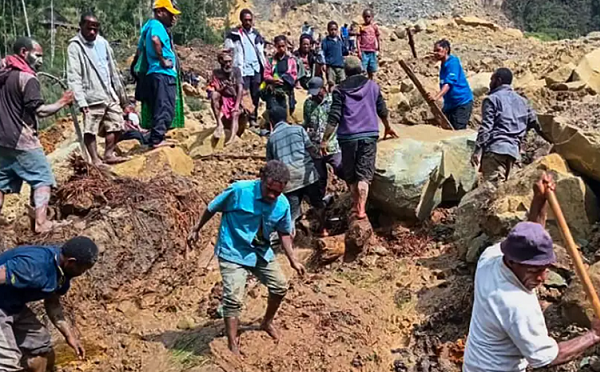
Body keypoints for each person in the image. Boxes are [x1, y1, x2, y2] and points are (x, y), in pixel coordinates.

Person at [463, 173, 600, 372]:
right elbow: (546, 357)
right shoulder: (516, 304)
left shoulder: (490, 257)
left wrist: (539, 199)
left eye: (545, 268)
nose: (542, 278)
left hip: (473, 363)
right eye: (534, 271)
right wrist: (594, 335)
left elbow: (531, 237)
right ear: (512, 261)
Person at [187, 160, 306, 355]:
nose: (272, 195)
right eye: (269, 190)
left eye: (277, 192)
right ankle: (232, 342)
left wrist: (293, 259)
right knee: (233, 298)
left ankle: (266, 322)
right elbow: (212, 208)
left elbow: (284, 232)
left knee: (280, 286)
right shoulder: (239, 191)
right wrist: (196, 229)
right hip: (233, 250)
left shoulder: (282, 204)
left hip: (259, 251)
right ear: (261, 178)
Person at [0, 37, 74, 233]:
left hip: (1, 140)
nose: (40, 60)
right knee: (42, 178)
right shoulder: (27, 78)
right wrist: (63, 102)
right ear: (24, 52)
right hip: (21, 139)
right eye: (38, 55)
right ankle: (41, 224)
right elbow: (39, 110)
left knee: (1, 182)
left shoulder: (3, 73)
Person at [0, 236, 99, 372]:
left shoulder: (62, 274)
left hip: (13, 306)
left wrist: (69, 336)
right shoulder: (35, 265)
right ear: (71, 262)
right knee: (8, 363)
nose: (82, 273)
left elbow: (52, 303)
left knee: (41, 346)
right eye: (82, 268)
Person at [324, 56, 397, 220]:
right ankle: (362, 209)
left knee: (351, 175)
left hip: (347, 137)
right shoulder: (372, 86)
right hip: (369, 134)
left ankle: (355, 205)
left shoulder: (339, 90)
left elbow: (334, 117)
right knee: (364, 174)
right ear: (361, 69)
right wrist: (387, 127)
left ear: (345, 72)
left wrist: (325, 140)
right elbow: (382, 110)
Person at [67, 13, 129, 166]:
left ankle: (108, 153)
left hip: (108, 92)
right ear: (81, 26)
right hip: (91, 95)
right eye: (89, 29)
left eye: (95, 29)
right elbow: (74, 76)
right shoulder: (75, 47)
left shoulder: (103, 43)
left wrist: (123, 98)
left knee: (117, 123)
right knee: (90, 128)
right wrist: (81, 101)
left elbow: (113, 70)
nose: (92, 32)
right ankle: (95, 159)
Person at [471, 68, 546, 184]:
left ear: (499, 80)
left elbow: (486, 127)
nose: (490, 83)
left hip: (495, 150)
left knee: (492, 192)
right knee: (508, 192)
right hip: (514, 153)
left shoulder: (492, 100)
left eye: (492, 79)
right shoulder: (523, 101)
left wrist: (478, 151)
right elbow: (536, 123)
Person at [266, 105, 327, 235]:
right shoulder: (298, 129)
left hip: (289, 182)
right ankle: (324, 230)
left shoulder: (272, 139)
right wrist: (320, 159)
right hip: (307, 175)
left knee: (291, 215)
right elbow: (311, 149)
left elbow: (271, 165)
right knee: (318, 204)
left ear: (271, 121)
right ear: (286, 117)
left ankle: (291, 243)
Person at [135, 0, 181, 148]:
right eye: (170, 14)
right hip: (162, 73)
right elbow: (155, 40)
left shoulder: (147, 26)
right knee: (165, 106)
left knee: (158, 106)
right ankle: (157, 140)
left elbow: (140, 49)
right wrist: (162, 60)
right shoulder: (157, 25)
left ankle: (155, 136)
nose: (172, 18)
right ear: (160, 12)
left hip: (153, 73)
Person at [224, 9, 267, 128]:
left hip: (256, 68)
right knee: (244, 94)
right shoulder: (234, 35)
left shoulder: (256, 34)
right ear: (241, 20)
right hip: (242, 69)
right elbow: (228, 51)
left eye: (250, 20)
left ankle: (253, 118)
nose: (248, 22)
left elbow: (261, 52)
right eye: (246, 20)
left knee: (256, 94)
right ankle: (245, 118)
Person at [303, 77, 344, 199]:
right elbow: (307, 123)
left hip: (333, 144)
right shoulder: (308, 104)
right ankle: (319, 202)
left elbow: (340, 121)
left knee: (340, 168)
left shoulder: (333, 101)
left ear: (323, 89)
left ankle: (350, 194)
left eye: (317, 93)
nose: (315, 96)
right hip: (315, 147)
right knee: (319, 177)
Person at [427, 39, 473, 130]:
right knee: (446, 129)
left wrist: (436, 97)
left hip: (461, 102)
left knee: (458, 131)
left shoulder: (453, 63)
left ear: (446, 49)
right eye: (434, 51)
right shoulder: (443, 65)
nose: (435, 53)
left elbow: (449, 83)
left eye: (438, 50)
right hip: (450, 104)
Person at [207, 51, 244, 145]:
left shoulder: (236, 70)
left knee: (235, 114)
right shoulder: (216, 73)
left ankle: (232, 137)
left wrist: (236, 105)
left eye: (230, 61)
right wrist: (223, 87)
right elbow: (217, 89)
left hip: (235, 97)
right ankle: (219, 124)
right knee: (214, 95)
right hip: (224, 98)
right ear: (220, 61)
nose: (228, 64)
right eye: (226, 61)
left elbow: (240, 88)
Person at [262, 35, 298, 115]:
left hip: (286, 91)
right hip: (273, 91)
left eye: (283, 46)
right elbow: (266, 74)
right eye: (279, 46)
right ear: (275, 46)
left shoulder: (291, 60)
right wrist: (273, 80)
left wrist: (286, 80)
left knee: (285, 113)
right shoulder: (271, 61)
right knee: (273, 112)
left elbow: (294, 74)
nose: (281, 48)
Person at [321, 21, 347, 90]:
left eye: (335, 29)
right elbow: (322, 53)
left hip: (340, 66)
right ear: (328, 30)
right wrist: (324, 64)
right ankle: (331, 97)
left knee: (343, 82)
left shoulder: (339, 41)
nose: (333, 31)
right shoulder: (325, 41)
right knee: (331, 83)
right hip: (330, 66)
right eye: (331, 30)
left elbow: (344, 51)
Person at [357, 9, 381, 80]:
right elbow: (358, 39)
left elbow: (377, 37)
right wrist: (359, 51)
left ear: (372, 17)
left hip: (372, 50)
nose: (367, 18)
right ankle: (364, 84)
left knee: (372, 69)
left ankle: (371, 83)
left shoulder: (374, 27)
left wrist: (379, 49)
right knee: (363, 69)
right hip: (364, 50)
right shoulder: (361, 27)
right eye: (365, 17)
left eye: (368, 16)